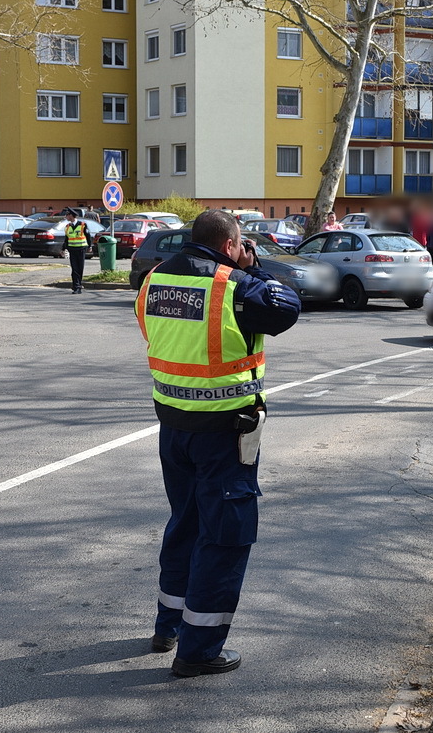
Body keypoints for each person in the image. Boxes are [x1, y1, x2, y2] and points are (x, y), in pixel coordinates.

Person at [136, 210, 301, 678]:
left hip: (173, 427)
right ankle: (199, 649)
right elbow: (287, 307)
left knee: (184, 522)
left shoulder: (153, 281)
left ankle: (168, 625)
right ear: (230, 244)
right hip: (226, 432)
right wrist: (255, 269)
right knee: (224, 536)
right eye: (241, 244)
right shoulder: (235, 286)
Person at [62, 209, 92, 294]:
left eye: (67, 215)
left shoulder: (82, 225)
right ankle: (76, 286)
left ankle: (78, 285)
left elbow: (88, 236)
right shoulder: (67, 226)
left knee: (80, 268)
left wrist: (90, 246)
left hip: (81, 249)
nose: (66, 217)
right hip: (72, 250)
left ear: (71, 215)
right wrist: (63, 249)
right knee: (74, 268)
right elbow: (66, 239)